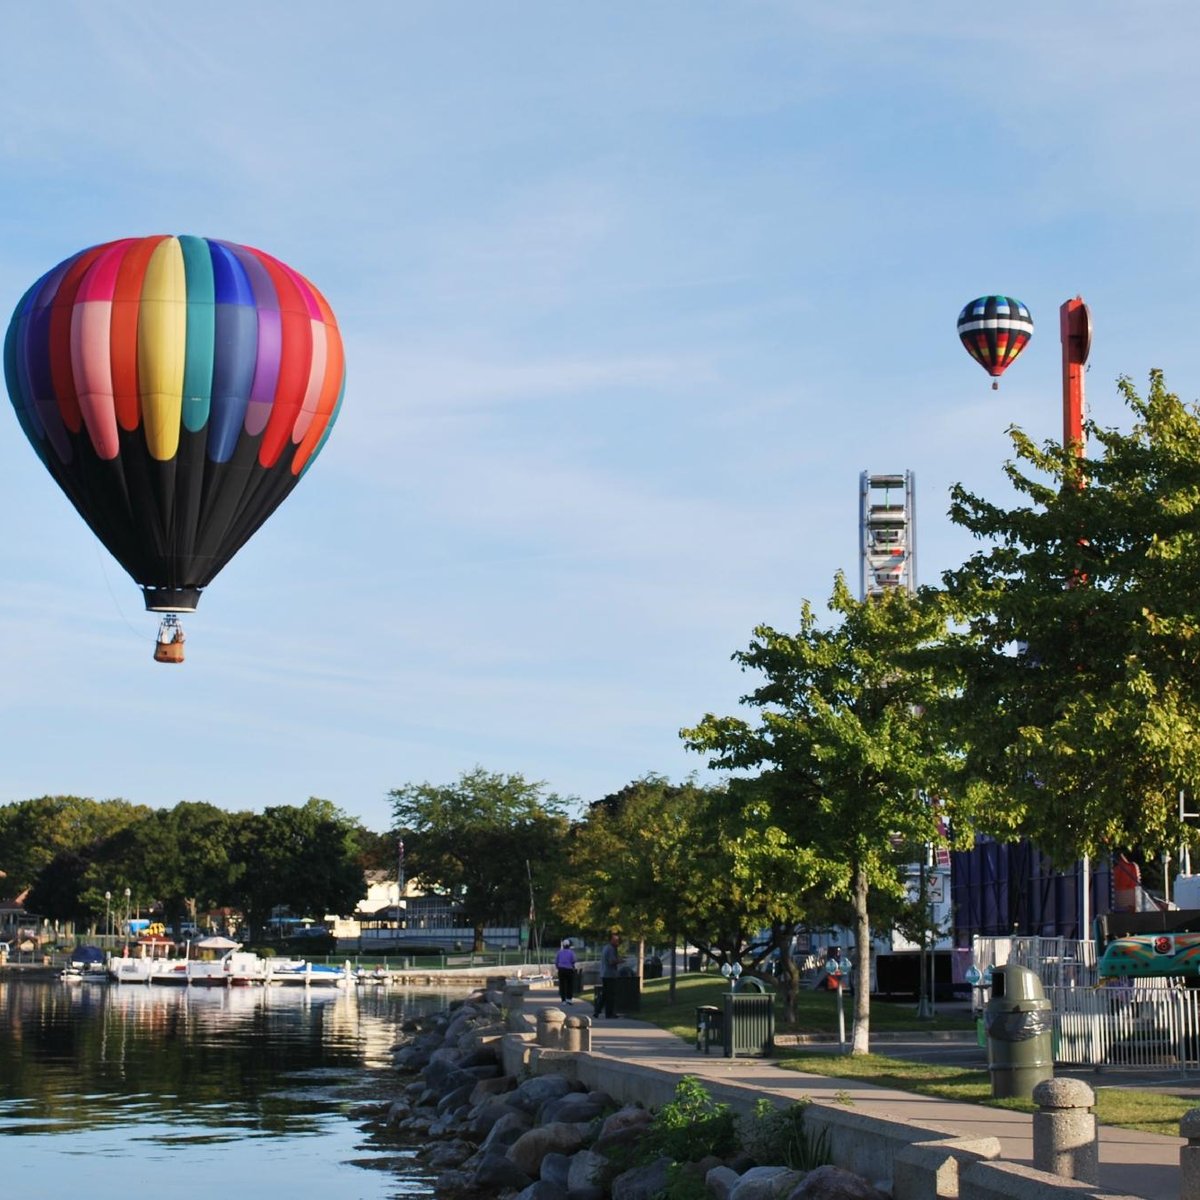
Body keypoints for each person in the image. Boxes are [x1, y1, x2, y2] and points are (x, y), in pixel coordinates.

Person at [599, 931, 622, 1018]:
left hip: (605, 974)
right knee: (610, 995)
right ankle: (609, 1013)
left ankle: (597, 1010)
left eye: (618, 940)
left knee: (605, 993)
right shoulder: (611, 949)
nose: (617, 942)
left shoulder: (606, 948)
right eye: (616, 940)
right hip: (609, 974)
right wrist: (620, 961)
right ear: (611, 940)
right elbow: (611, 961)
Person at [555, 938, 577, 1004]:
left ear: (563, 945)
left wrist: (558, 967)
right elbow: (573, 961)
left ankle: (563, 999)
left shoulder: (559, 952)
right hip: (569, 970)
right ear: (569, 945)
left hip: (561, 969)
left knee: (562, 985)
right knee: (570, 984)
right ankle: (569, 999)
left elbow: (556, 962)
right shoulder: (571, 953)